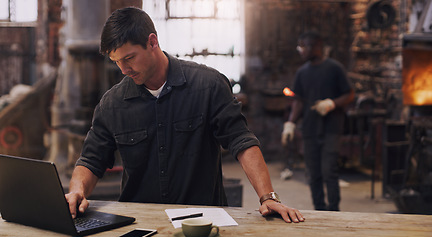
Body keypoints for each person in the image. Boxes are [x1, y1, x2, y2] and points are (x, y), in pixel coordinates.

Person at [65, 7, 304, 223]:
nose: (124, 70)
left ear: (152, 42)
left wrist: (268, 197)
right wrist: (77, 191)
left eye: (129, 58)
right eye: (116, 61)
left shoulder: (208, 86)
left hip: (204, 221)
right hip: (140, 222)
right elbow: (91, 160)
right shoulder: (112, 104)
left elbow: (242, 142)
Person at [281, 31, 354, 211]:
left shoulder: (334, 68)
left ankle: (334, 211)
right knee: (313, 174)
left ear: (316, 46)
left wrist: (332, 103)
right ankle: (320, 210)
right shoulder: (302, 72)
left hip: (331, 128)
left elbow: (349, 94)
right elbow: (298, 100)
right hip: (310, 129)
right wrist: (290, 124)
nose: (300, 50)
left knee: (329, 171)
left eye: (303, 46)